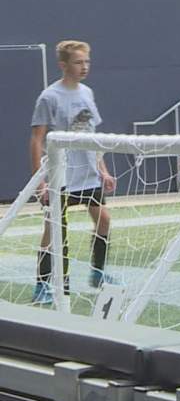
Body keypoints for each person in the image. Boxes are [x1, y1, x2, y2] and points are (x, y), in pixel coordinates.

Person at [29, 40, 118, 305]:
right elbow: (36, 140)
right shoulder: (49, 97)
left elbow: (91, 136)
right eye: (78, 62)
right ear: (63, 65)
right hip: (62, 177)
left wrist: (103, 170)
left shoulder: (87, 93)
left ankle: (97, 274)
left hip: (88, 175)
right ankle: (42, 285)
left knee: (104, 220)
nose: (84, 67)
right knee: (53, 230)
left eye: (87, 61)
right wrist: (40, 182)